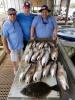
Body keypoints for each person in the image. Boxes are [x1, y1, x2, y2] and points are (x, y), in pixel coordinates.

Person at [2, 8, 23, 74]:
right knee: (13, 59)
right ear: (8, 14)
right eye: (11, 14)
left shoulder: (17, 21)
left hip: (20, 45)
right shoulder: (6, 25)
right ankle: (15, 69)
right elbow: (4, 37)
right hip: (13, 47)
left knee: (20, 57)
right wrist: (6, 48)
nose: (13, 15)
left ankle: (20, 67)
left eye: (14, 14)